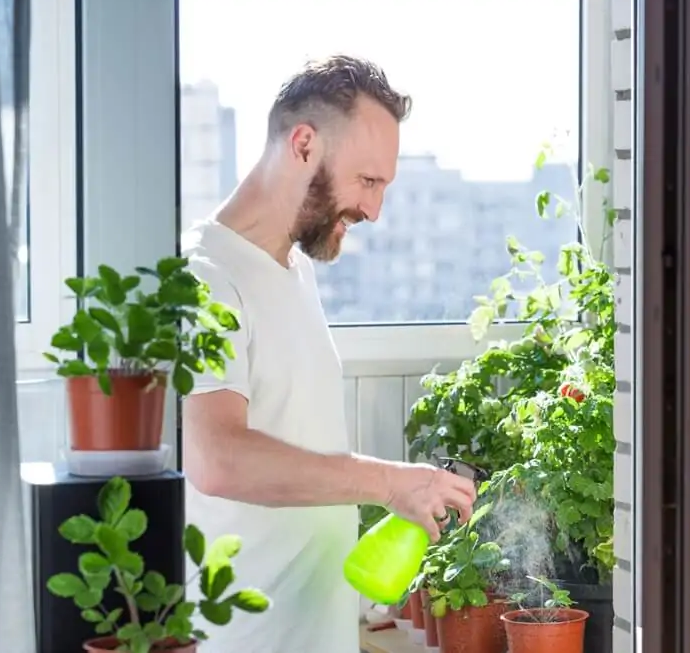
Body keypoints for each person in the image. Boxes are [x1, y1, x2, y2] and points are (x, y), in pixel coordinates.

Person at [180, 55, 478, 653]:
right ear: (304, 145)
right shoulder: (204, 277)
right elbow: (216, 458)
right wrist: (389, 483)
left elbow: (296, 447)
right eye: (367, 181)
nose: (375, 210)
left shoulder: (294, 270)